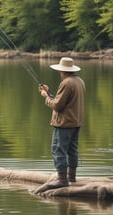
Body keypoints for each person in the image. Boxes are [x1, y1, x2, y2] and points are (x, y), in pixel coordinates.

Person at [39, 57, 86, 188]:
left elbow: (58, 106)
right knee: (72, 151)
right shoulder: (79, 81)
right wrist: (48, 91)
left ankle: (62, 180)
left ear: (63, 71)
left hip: (64, 124)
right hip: (76, 123)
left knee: (58, 150)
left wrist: (45, 96)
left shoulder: (66, 83)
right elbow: (65, 101)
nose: (60, 73)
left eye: (60, 71)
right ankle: (71, 178)